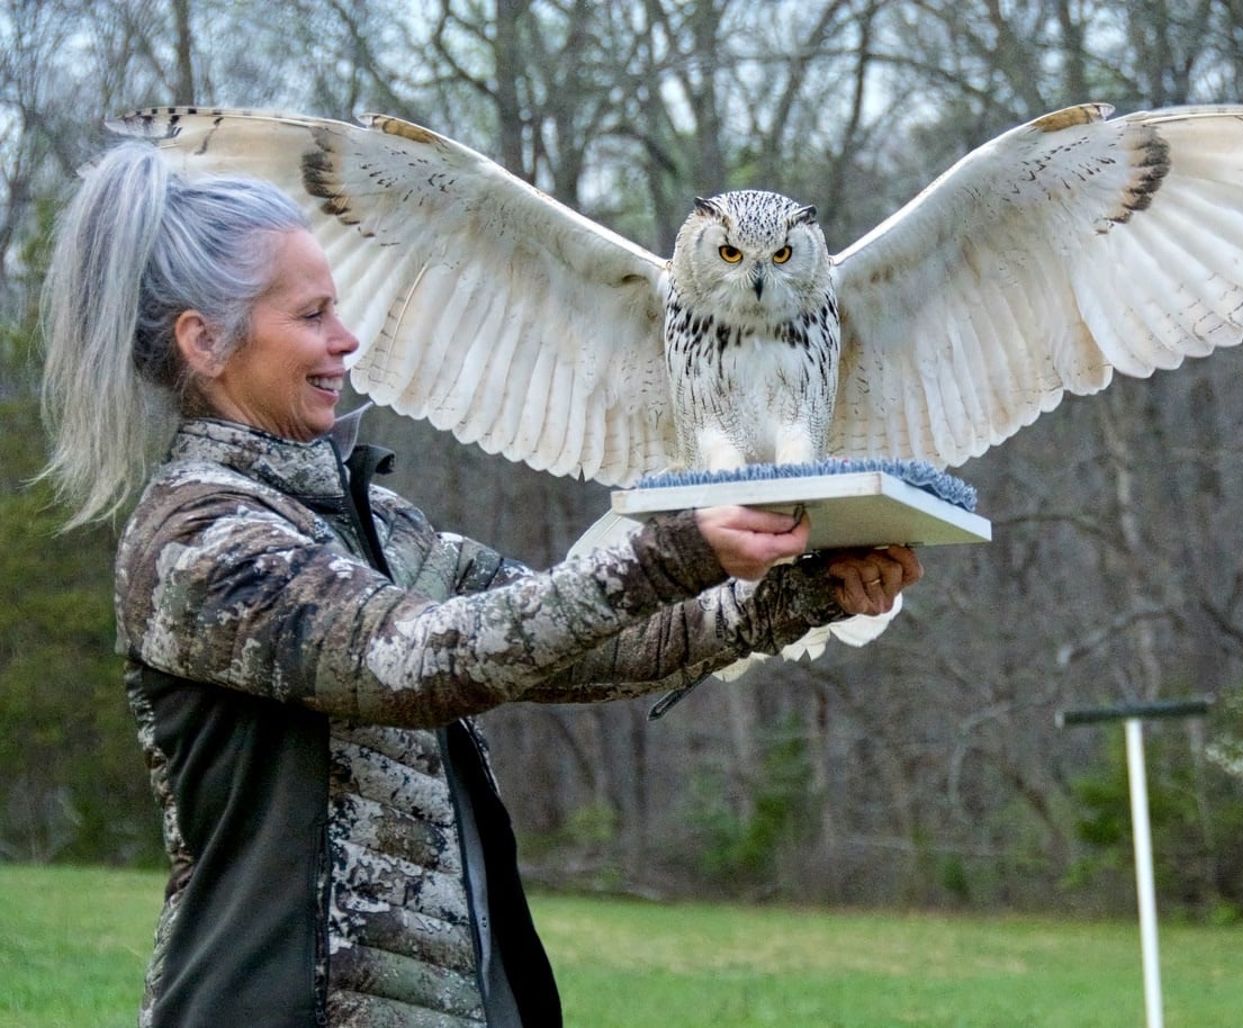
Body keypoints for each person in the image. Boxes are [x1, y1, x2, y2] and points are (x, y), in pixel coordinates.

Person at [38, 142, 923, 1028]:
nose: (348, 341)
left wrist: (804, 593)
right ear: (205, 341)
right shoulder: (201, 541)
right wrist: (677, 553)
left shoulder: (374, 523)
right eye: (312, 316)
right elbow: (405, 666)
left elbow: (581, 642)